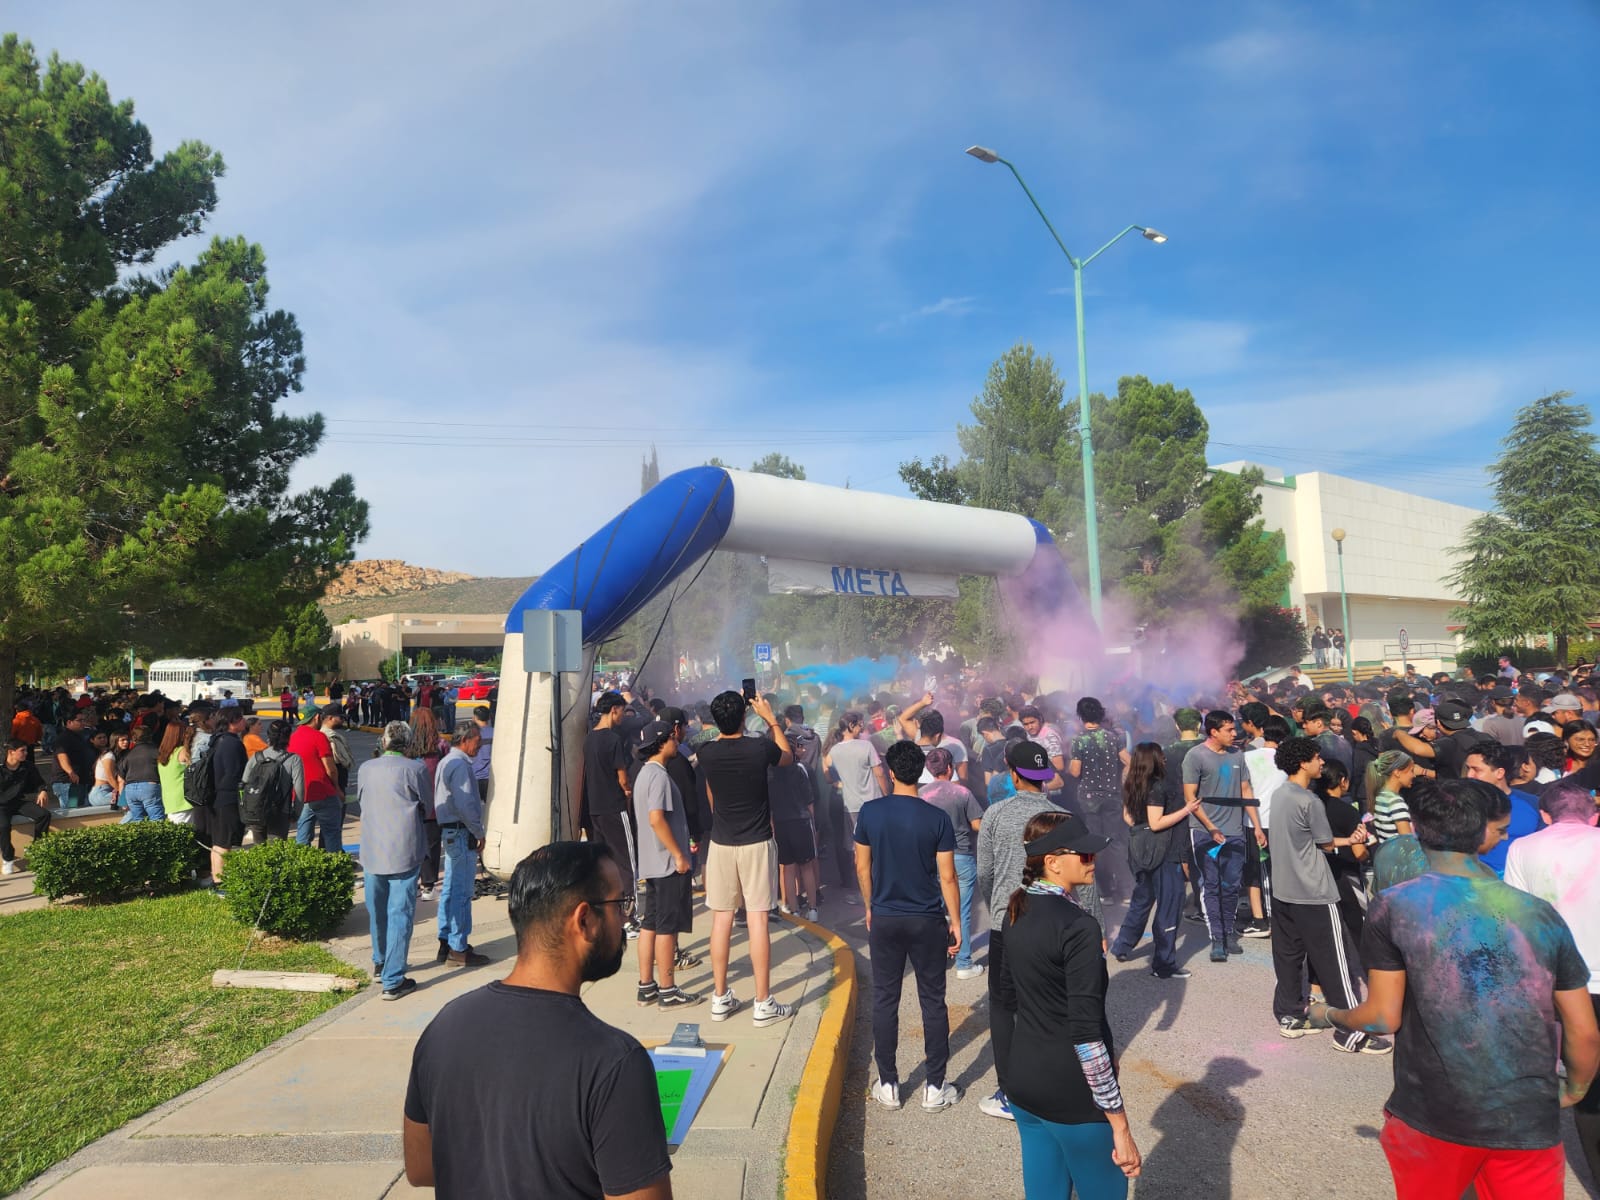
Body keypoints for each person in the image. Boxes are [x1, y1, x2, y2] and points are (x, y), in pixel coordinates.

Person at [1316, 779, 1599, 1200]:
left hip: (1433, 1114)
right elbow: (1584, 1030)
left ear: (1416, 827)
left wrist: (1328, 1014)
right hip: (1526, 1119)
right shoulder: (1538, 913)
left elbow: (1381, 1017)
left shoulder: (1395, 905)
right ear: (1483, 833)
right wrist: (1574, 1089)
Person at [403, 842, 673, 1198]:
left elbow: (421, 1167)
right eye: (620, 904)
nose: (624, 920)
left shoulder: (443, 1028)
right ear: (584, 920)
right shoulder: (614, 1062)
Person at [1000, 810, 1141, 1198]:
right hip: (1072, 1095)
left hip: (1024, 1083)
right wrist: (1120, 1124)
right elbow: (1086, 1034)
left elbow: (1006, 1000)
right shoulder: (1079, 927)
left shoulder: (1014, 911)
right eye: (1084, 855)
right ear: (1053, 862)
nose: (1093, 861)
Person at [975, 740, 1087, 1123]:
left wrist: (995, 906)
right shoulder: (1065, 816)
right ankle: (1055, 1083)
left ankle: (1010, 1093)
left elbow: (985, 872)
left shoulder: (995, 814)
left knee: (1004, 1005)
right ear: (1045, 776)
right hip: (1056, 922)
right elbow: (1084, 876)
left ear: (1013, 774)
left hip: (1007, 923)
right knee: (1048, 1004)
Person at [855, 739, 961, 1113]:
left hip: (885, 916)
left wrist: (870, 906)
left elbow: (862, 867)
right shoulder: (937, 818)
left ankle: (888, 1084)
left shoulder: (870, 812)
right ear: (922, 772)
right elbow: (947, 877)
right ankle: (935, 1086)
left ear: (891, 772)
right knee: (932, 1000)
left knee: (886, 998)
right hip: (927, 918)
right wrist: (956, 921)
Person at [1504, 779, 1600, 1181]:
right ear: (1594, 815)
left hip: (1557, 980)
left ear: (1544, 816)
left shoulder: (1523, 848)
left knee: (1584, 1084)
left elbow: (1516, 920)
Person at [1267, 737, 1386, 1054]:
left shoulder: (1280, 794)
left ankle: (1291, 1016)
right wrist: (1355, 839)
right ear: (1303, 763)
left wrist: (1346, 840)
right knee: (1335, 963)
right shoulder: (1310, 801)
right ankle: (1352, 1032)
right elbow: (1325, 843)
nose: (1321, 762)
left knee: (1289, 958)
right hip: (1314, 892)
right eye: (1317, 758)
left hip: (1283, 890)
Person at [697, 690, 794, 1026]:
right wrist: (770, 720)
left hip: (722, 842)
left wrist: (728, 710)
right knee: (757, 920)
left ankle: (720, 997)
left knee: (721, 919)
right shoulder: (759, 747)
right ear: (743, 717)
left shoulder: (706, 752)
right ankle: (763, 1002)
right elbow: (786, 756)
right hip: (757, 841)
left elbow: (708, 749)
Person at [1108, 743, 1200, 979]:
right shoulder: (1158, 786)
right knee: (1169, 908)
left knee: (1141, 900)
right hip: (1165, 854)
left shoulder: (1133, 783)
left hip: (1141, 851)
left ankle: (1122, 946)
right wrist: (1187, 809)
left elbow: (1128, 817)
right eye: (1161, 756)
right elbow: (1157, 823)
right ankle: (1163, 965)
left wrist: (1143, 832)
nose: (1165, 760)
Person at [358, 721, 430, 1000]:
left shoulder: (366, 768)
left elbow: (363, 800)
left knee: (377, 910)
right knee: (400, 914)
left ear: (384, 741)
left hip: (372, 848)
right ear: (408, 744)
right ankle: (393, 978)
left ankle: (380, 962)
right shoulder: (416, 769)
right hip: (404, 849)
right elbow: (427, 805)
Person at [1182, 711, 1261, 963]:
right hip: (1204, 833)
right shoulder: (1195, 756)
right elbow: (1190, 798)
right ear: (1213, 731)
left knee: (1231, 885)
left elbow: (1245, 790)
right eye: (1229, 730)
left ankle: (1228, 932)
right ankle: (1217, 937)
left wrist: (1256, 826)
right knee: (1211, 885)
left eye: (1234, 728)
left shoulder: (1237, 755)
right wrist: (1211, 828)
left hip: (1235, 832)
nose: (1234, 733)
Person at [631, 721, 698, 1009]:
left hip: (651, 862)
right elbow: (656, 818)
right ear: (661, 742)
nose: (676, 741)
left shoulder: (643, 774)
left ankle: (646, 986)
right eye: (672, 737)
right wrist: (679, 855)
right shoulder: (658, 776)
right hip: (667, 864)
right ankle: (668, 990)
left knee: (650, 924)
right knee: (666, 928)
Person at [919, 746, 985, 979]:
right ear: (950, 768)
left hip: (932, 858)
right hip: (961, 856)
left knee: (934, 910)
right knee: (962, 910)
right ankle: (964, 963)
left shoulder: (921, 795)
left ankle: (936, 960)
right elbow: (977, 825)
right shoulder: (962, 793)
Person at [581, 693, 639, 934]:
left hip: (595, 809)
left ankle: (605, 913)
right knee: (627, 862)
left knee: (603, 863)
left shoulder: (588, 739)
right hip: (615, 807)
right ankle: (629, 916)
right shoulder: (613, 739)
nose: (623, 717)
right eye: (622, 711)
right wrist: (628, 791)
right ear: (614, 710)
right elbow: (622, 776)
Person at [433, 724, 490, 967]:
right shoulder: (460, 764)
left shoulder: (447, 761)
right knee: (462, 892)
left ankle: (446, 940)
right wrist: (478, 832)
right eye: (477, 740)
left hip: (452, 831)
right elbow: (465, 803)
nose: (479, 745)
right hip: (460, 831)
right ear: (466, 739)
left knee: (450, 889)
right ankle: (458, 947)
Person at [1068, 697, 1131, 904]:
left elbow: (1075, 771)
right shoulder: (1113, 737)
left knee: (1097, 844)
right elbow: (1128, 761)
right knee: (1116, 842)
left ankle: (1106, 892)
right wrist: (1122, 780)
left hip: (1089, 800)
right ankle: (1127, 891)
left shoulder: (1079, 740)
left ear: (1080, 716)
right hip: (1113, 795)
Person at [822, 711, 887, 903]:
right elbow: (879, 773)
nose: (862, 727)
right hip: (874, 804)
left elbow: (828, 775)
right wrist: (887, 795)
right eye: (859, 724)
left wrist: (840, 782)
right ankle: (881, 890)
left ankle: (864, 893)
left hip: (851, 807)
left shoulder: (834, 751)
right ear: (850, 726)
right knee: (878, 848)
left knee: (858, 852)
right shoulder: (866, 746)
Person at [1461, 742, 1542, 876]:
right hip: (1472, 881)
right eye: (1468, 769)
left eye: (1476, 770)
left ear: (1499, 773)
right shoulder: (1460, 804)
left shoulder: (1532, 804)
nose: (1469, 775)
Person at [289, 705, 344, 852]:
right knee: (332, 833)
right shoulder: (319, 737)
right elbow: (330, 769)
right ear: (316, 717)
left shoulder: (292, 738)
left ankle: (302, 862)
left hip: (302, 794)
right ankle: (334, 863)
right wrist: (337, 788)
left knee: (303, 835)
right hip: (323, 792)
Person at [205, 709, 249, 887]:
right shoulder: (232, 743)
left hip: (216, 797)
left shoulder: (217, 740)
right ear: (233, 722)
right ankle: (221, 882)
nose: (244, 721)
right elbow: (233, 773)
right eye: (241, 718)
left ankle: (217, 879)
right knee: (225, 842)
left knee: (218, 842)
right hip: (227, 798)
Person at [240, 718, 302, 843]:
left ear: (269, 736)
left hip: (256, 810)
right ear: (288, 737)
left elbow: (244, 783)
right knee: (276, 848)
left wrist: (246, 808)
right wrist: (296, 812)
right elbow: (299, 789)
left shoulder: (257, 757)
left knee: (259, 849)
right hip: (280, 811)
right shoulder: (293, 759)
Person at [1, 739, 52, 875]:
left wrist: (43, 790)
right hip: (1, 805)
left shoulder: (28, 766)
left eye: (26, 750)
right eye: (22, 751)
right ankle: (8, 858)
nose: (26, 753)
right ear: (11, 752)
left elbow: (39, 782)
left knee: (44, 815)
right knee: (3, 826)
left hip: (18, 802)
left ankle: (36, 849)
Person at [116, 725, 162, 823]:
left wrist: (122, 799)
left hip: (130, 789)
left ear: (133, 738)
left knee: (138, 821)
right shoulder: (156, 751)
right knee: (157, 819)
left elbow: (121, 779)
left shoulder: (127, 754)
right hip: (150, 786)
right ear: (150, 736)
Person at [469, 705, 493, 801]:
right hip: (491, 778)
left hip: (474, 777)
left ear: (474, 718)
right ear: (489, 717)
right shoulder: (495, 733)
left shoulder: (470, 734)